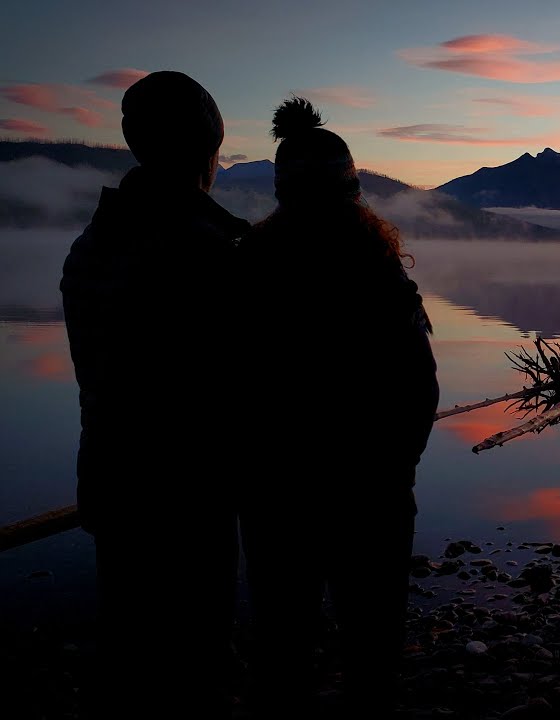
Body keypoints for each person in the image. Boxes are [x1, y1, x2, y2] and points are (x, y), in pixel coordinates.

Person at [237, 97, 439, 717]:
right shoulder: (380, 272)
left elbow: (229, 383)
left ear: (281, 194)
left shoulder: (248, 266)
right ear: (352, 192)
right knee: (372, 645)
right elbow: (419, 388)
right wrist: (397, 468)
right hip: (372, 491)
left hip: (276, 491)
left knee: (282, 642)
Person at [60, 71, 250, 719]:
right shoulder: (208, 251)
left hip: (111, 477)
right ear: (208, 149)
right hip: (190, 489)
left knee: (128, 650)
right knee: (196, 663)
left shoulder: (91, 244)